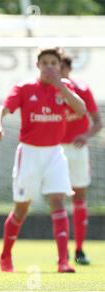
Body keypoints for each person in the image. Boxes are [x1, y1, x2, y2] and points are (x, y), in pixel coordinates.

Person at [0, 47, 86, 273]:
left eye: (54, 62)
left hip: (55, 153)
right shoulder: (24, 88)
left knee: (58, 202)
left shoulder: (65, 89)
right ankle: (5, 255)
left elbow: (81, 110)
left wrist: (60, 85)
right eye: (45, 62)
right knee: (21, 209)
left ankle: (63, 261)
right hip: (29, 153)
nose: (49, 66)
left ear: (59, 66)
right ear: (38, 65)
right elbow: (0, 111)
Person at [60, 54, 103, 265]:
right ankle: (62, 251)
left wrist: (85, 136)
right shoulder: (46, 92)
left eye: (61, 67)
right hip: (55, 150)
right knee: (57, 198)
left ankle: (79, 248)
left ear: (68, 68)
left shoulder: (82, 89)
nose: (58, 71)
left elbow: (97, 122)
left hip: (78, 150)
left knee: (79, 197)